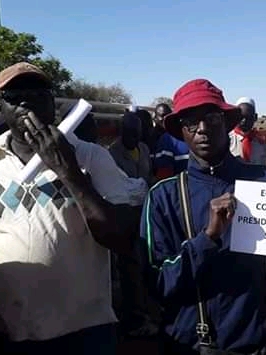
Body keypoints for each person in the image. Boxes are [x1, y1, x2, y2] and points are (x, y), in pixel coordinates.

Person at [0, 62, 139, 354]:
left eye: (37, 92)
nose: (26, 101)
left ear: (52, 102)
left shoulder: (91, 157)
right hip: (11, 328)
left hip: (85, 330)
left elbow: (120, 238)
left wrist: (68, 170)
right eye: (13, 95)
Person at [142, 78, 266, 354]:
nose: (203, 129)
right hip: (191, 343)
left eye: (212, 118)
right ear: (181, 130)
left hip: (253, 342)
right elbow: (158, 283)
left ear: (227, 124)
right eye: (191, 121)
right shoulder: (162, 197)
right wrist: (208, 237)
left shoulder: (264, 182)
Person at [108, 111, 158, 337]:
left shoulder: (145, 150)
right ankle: (132, 315)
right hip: (124, 215)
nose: (133, 138)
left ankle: (144, 307)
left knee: (145, 260)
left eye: (137, 133)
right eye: (129, 133)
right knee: (129, 264)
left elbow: (147, 178)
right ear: (121, 132)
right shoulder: (111, 154)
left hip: (145, 213)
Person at [229, 97, 266, 165]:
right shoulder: (227, 140)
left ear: (255, 117)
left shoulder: (261, 144)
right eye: (241, 117)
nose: (244, 121)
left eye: (249, 117)